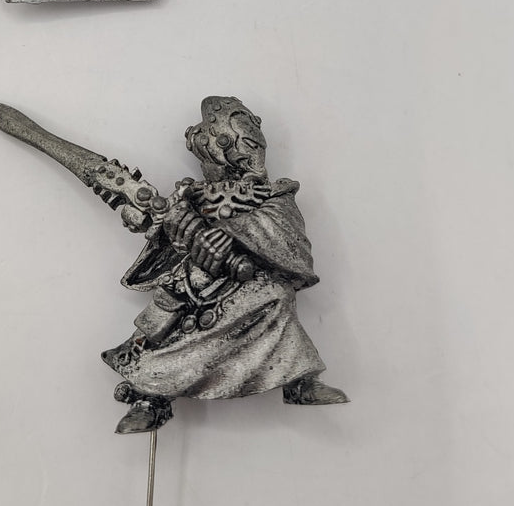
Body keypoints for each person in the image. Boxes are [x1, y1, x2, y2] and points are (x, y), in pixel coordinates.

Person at [102, 97, 348, 434]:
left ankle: (299, 382)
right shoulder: (190, 196)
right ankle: (151, 397)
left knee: (277, 294)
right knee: (169, 327)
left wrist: (230, 233)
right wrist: (160, 225)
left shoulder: (273, 195)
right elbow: (158, 230)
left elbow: (288, 238)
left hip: (250, 281)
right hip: (193, 284)